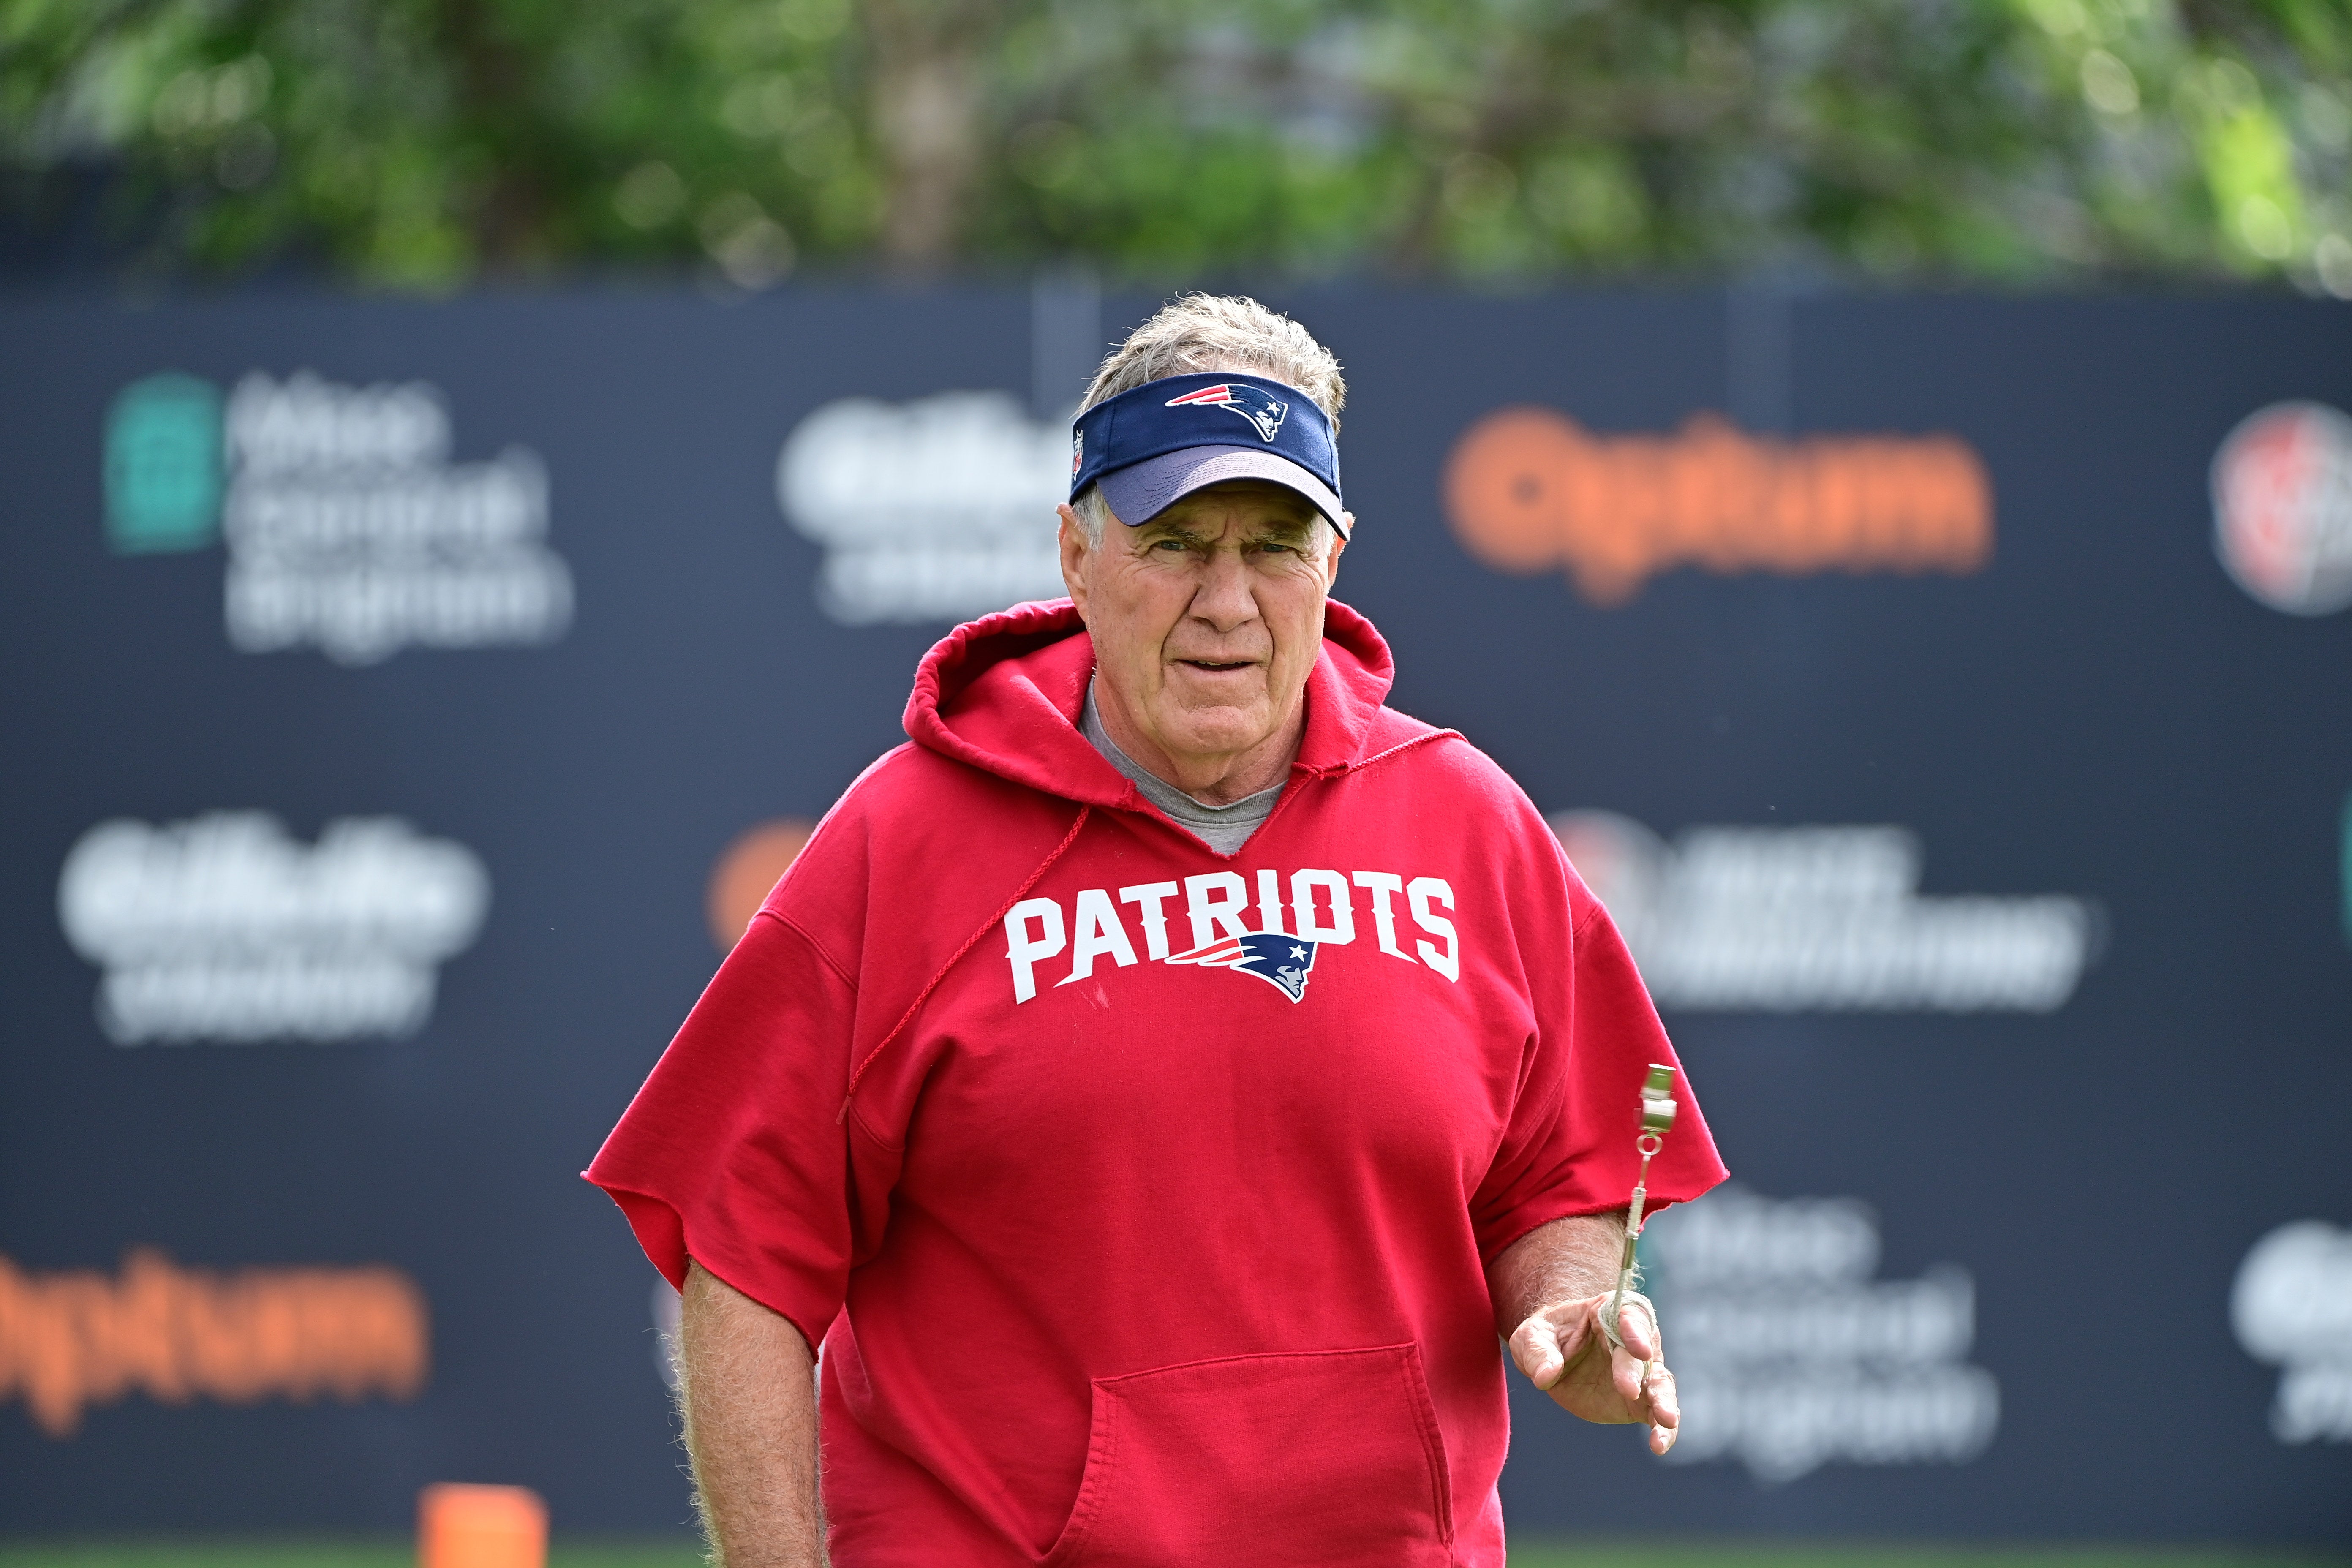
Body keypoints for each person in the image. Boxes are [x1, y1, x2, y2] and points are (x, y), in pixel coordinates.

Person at [586, 294, 1726, 1568]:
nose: (1228, 599)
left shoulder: (1470, 824)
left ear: (1334, 561)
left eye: (1275, 544)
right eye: (1176, 542)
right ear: (1078, 560)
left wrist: (1575, 1314)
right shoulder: (901, 843)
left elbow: (1564, 1181)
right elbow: (742, 1257)